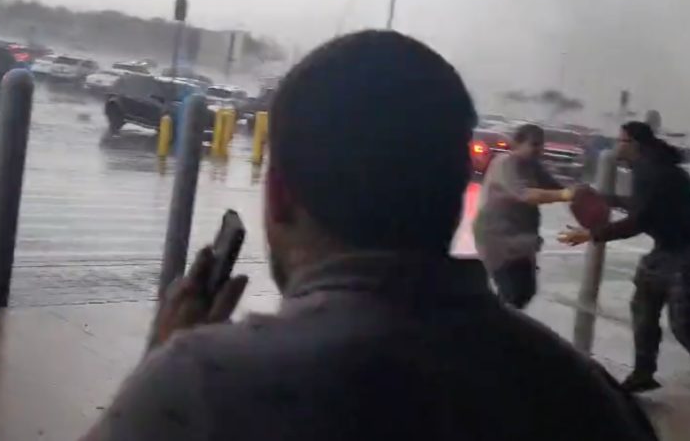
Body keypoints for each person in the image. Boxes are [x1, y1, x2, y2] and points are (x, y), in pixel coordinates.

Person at [83, 31, 656, 440]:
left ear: (280, 194)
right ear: (455, 191)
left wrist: (157, 362)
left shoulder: (202, 387)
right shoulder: (594, 399)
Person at [559, 121, 690, 393]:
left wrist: (591, 234)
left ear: (635, 144)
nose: (616, 146)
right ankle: (643, 372)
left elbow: (639, 221)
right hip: (670, 248)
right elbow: (644, 205)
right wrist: (607, 199)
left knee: (685, 325)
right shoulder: (648, 168)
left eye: (620, 141)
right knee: (644, 303)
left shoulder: (654, 172)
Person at [473, 124, 575, 309]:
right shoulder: (506, 163)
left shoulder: (532, 166)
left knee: (525, 291)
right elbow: (526, 194)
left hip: (521, 240)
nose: (539, 150)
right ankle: (495, 330)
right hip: (497, 238)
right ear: (517, 143)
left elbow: (554, 186)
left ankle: (498, 323)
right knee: (513, 292)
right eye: (534, 144)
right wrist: (565, 195)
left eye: (541, 145)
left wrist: (580, 194)